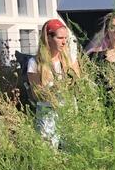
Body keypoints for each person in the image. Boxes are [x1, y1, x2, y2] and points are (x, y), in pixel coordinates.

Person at [28, 18, 81, 147]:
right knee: (48, 150)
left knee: (71, 149)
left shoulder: (70, 59)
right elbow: (36, 94)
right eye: (60, 38)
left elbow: (78, 84)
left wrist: (69, 85)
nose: (64, 42)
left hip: (68, 109)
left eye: (66, 38)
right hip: (47, 111)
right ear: (48, 38)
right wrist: (52, 92)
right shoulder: (35, 63)